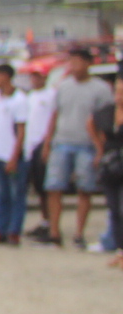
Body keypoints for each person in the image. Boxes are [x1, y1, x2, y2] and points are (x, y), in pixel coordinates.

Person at [45, 48, 108, 250]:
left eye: (77, 62)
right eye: (71, 62)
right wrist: (47, 142)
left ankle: (79, 233)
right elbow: (54, 115)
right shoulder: (63, 86)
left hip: (87, 145)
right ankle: (54, 232)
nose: (73, 67)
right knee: (54, 187)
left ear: (88, 63)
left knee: (85, 189)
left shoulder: (100, 89)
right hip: (62, 142)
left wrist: (101, 148)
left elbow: (104, 121)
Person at [0, 63, 29, 246]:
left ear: (5, 76)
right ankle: (0, 229)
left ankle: (14, 231)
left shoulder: (19, 100)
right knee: (1, 194)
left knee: (17, 194)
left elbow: (21, 131)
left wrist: (14, 157)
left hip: (13, 155)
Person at [92, 75, 123, 270]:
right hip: (112, 164)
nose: (119, 96)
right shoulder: (108, 111)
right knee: (114, 209)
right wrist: (99, 148)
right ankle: (120, 250)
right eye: (117, 92)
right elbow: (91, 123)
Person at [22, 67, 57, 241]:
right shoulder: (29, 97)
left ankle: (51, 223)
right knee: (38, 186)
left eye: (38, 77)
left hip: (43, 144)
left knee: (46, 187)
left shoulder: (51, 96)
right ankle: (44, 221)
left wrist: (48, 143)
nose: (34, 80)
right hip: (30, 146)